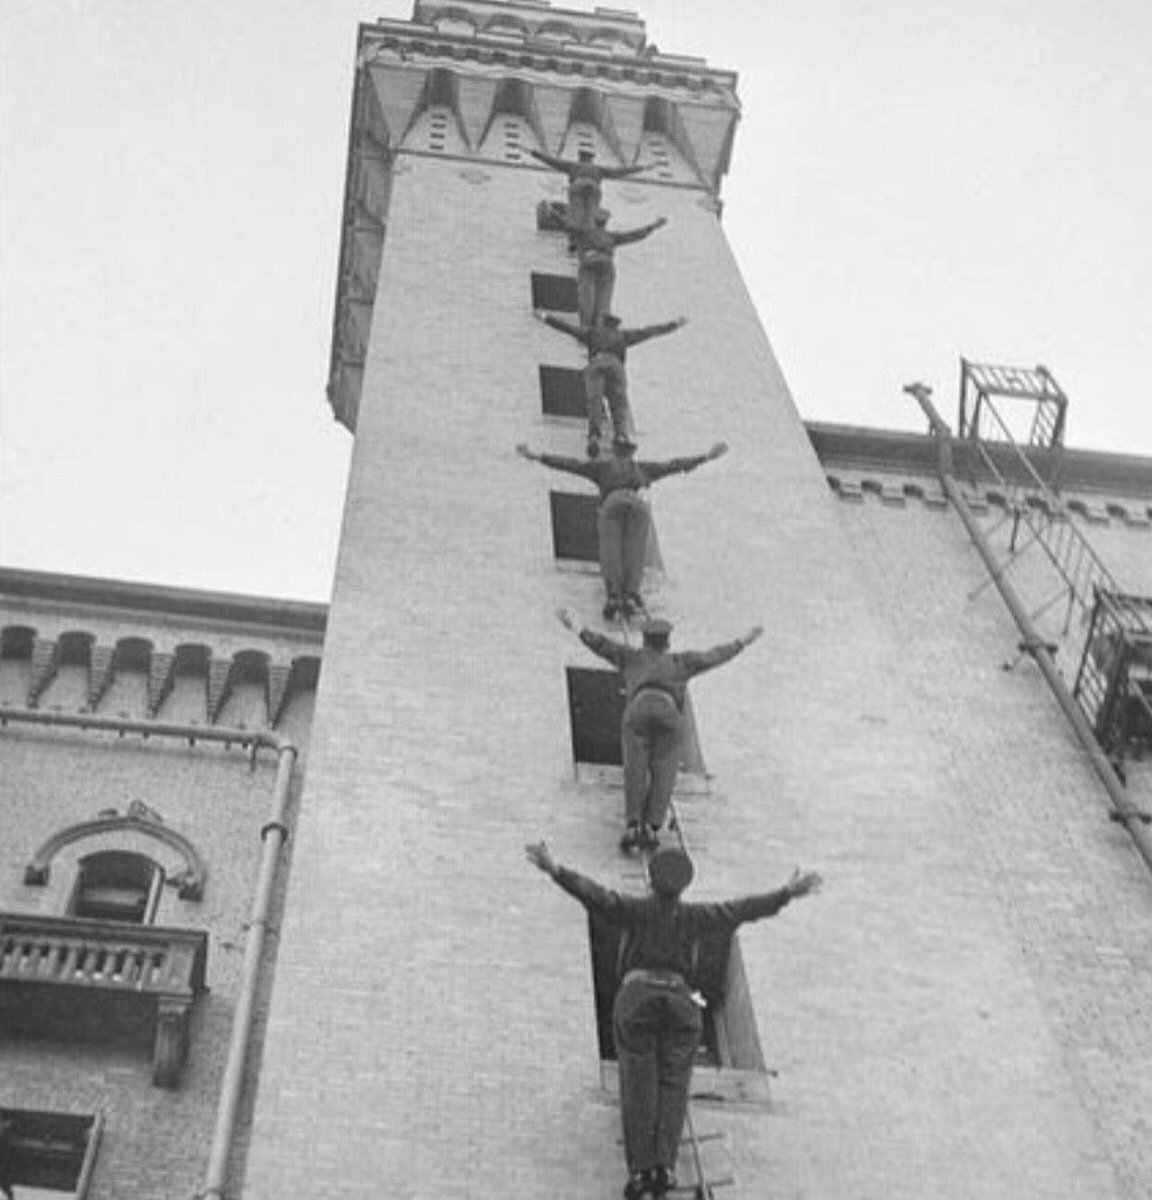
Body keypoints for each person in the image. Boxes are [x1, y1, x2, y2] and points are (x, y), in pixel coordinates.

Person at [524, 840, 822, 1199]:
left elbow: (597, 897)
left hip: (638, 996)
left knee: (638, 1083)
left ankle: (641, 1170)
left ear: (650, 880)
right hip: (681, 1002)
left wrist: (555, 869)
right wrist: (787, 892)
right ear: (684, 886)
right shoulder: (695, 917)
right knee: (674, 1085)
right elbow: (740, 910)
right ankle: (665, 1166)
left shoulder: (635, 910)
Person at [556, 609, 762, 850]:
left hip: (639, 709)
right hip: (669, 714)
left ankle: (633, 825)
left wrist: (575, 626)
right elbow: (713, 656)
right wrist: (743, 641)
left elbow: (601, 644)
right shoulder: (680, 662)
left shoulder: (631, 657)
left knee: (635, 766)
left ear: (644, 641)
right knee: (665, 769)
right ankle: (653, 827)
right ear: (667, 643)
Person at [516, 440, 727, 619]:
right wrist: (706, 457)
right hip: (637, 505)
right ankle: (632, 593)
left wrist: (537, 456)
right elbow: (673, 465)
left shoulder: (602, 467)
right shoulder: (643, 468)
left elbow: (571, 465)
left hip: (612, 502)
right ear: (631, 453)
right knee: (635, 551)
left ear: (614, 451)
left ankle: (614, 595)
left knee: (611, 550)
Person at [535, 310, 687, 457]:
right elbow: (649, 332)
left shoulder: (592, 333)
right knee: (618, 402)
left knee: (595, 400)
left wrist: (544, 317)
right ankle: (621, 435)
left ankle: (594, 435)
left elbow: (568, 328)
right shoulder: (623, 335)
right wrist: (674, 324)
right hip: (616, 367)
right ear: (616, 325)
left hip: (597, 364)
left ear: (602, 322)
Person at [569, 212, 668, 327]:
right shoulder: (612, 236)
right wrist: (654, 225)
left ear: (594, 222)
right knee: (603, 301)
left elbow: (565, 224)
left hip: (589, 265)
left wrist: (552, 212)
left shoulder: (584, 233)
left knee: (586, 299)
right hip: (606, 267)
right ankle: (600, 327)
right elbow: (635, 235)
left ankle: (586, 327)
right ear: (605, 223)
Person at [529, 147, 650, 240]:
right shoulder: (599, 169)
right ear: (591, 159)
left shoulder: (573, 166)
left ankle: (574, 239)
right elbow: (618, 172)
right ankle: (590, 236)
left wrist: (537, 155)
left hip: (578, 187)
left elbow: (553, 162)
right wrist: (639, 168)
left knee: (576, 213)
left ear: (580, 158)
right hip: (594, 189)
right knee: (591, 214)